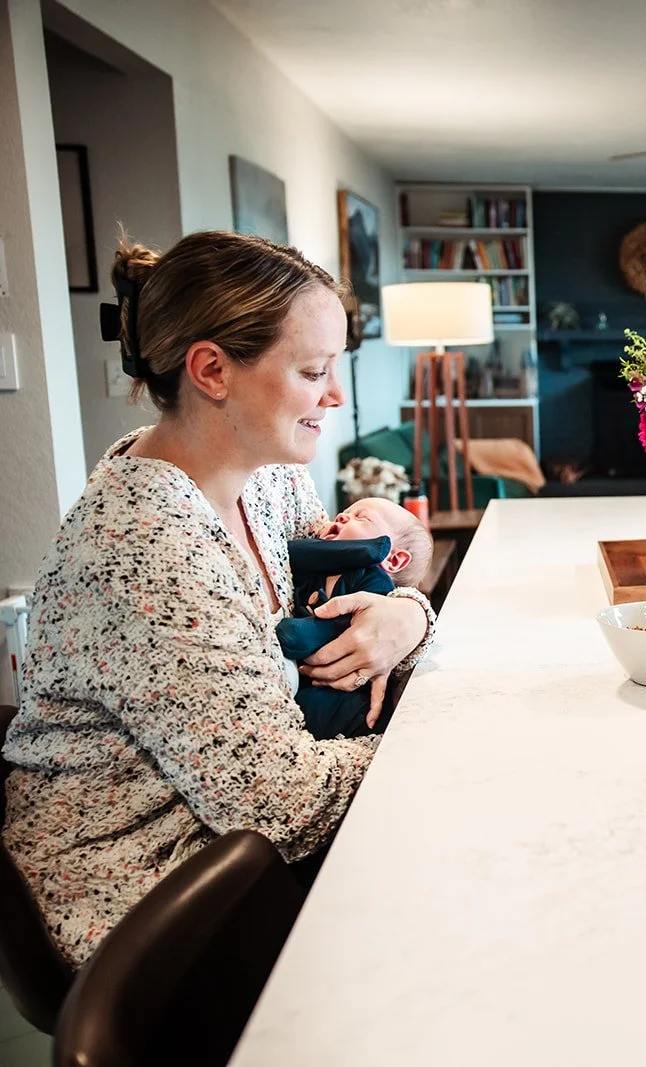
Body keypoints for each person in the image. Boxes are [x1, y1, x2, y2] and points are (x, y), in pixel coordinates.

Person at [2, 230, 436, 967]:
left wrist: (407, 612)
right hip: (143, 895)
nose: (333, 394)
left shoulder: (268, 478)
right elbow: (279, 805)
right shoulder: (144, 547)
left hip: (227, 839)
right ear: (211, 369)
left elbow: (360, 596)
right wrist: (437, 744)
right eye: (313, 371)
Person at [277, 497, 434, 740]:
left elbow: (336, 626)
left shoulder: (372, 583)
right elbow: (288, 553)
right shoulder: (322, 573)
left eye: (361, 517)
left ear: (393, 559)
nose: (340, 517)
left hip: (351, 696)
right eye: (343, 512)